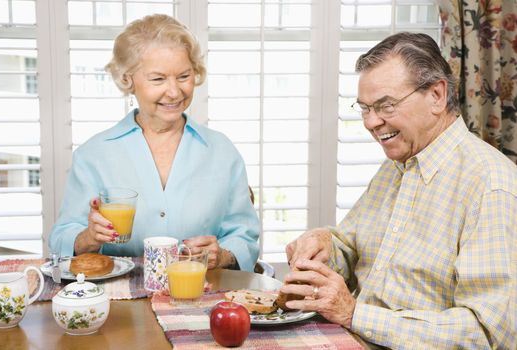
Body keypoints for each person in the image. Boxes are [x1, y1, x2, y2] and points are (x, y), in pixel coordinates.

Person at [281, 32, 516, 349]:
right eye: (365, 108)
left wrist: (354, 314)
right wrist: (325, 243)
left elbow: (486, 334)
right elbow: (351, 245)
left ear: (436, 95)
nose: (371, 122)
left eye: (385, 106)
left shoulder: (491, 185)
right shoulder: (397, 165)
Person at [49, 14, 259, 271]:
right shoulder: (93, 154)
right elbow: (61, 237)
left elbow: (245, 236)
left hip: (201, 299)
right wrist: (88, 238)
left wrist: (223, 255)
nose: (174, 91)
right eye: (158, 79)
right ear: (128, 80)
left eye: (183, 76)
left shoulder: (221, 151)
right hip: (118, 301)